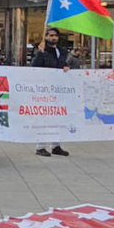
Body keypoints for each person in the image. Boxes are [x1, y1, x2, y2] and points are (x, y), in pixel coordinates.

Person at [30, 27, 72, 157]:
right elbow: (34, 67)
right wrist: (39, 53)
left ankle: (56, 145)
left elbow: (62, 65)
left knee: (57, 117)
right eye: (51, 35)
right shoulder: (41, 51)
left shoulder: (62, 51)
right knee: (43, 118)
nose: (53, 38)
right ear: (46, 37)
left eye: (55, 36)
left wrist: (66, 67)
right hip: (45, 89)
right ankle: (40, 146)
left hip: (58, 89)